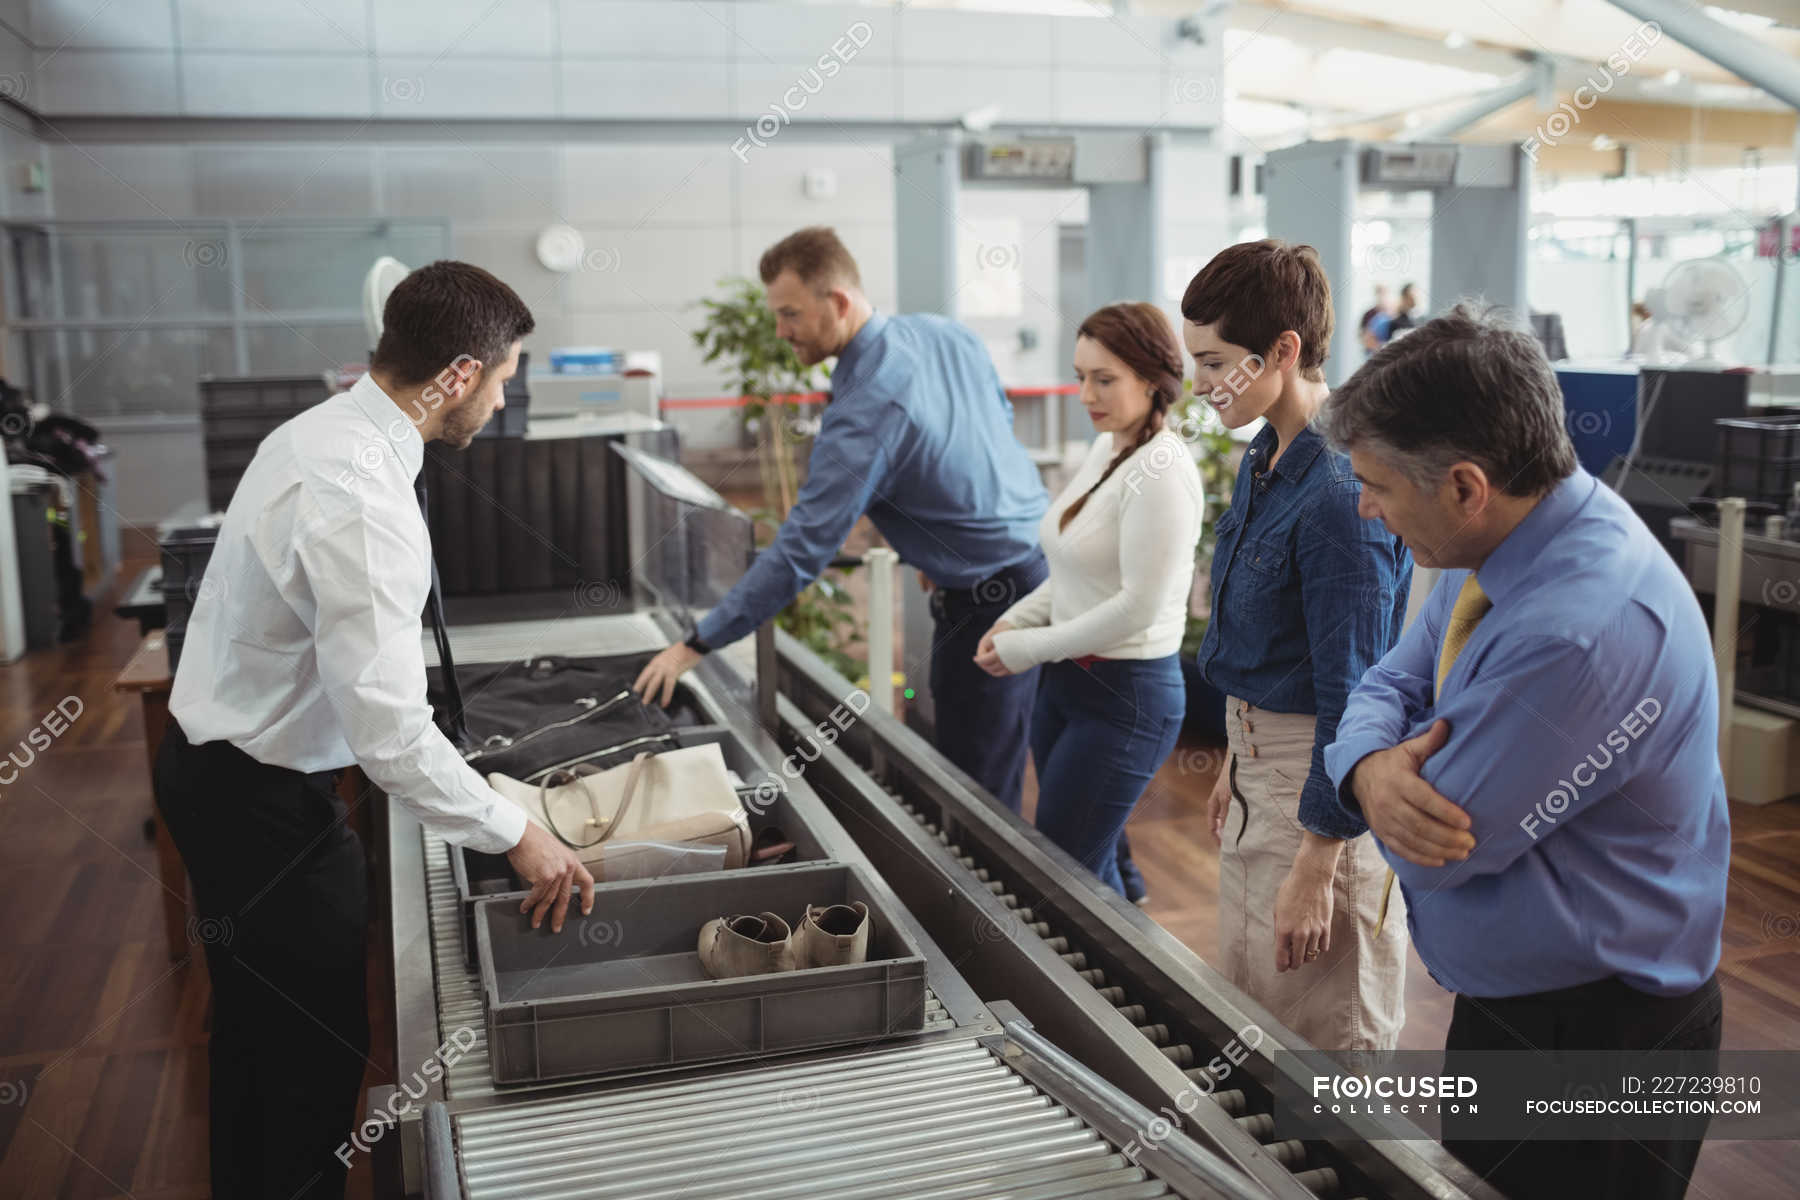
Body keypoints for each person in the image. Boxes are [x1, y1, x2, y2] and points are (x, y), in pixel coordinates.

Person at [156, 262, 593, 1199]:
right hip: (262, 802)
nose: (507, 396)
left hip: (217, 771)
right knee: (314, 1059)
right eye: (508, 376)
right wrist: (520, 835)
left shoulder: (330, 431)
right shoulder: (363, 499)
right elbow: (390, 734)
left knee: (253, 1043)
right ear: (461, 373)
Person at [1321, 303, 1729, 1199]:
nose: (1366, 505)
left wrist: (1376, 776)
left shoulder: (1575, 633)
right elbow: (1391, 677)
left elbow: (1435, 857)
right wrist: (1365, 765)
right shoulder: (1509, 539)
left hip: (1594, 1036)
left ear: (1465, 483)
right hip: (1524, 1007)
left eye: (1379, 485)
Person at [634, 227, 1050, 811]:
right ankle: (1124, 886)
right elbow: (993, 423)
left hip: (991, 602)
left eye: (790, 315)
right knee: (1055, 755)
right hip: (1041, 562)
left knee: (977, 795)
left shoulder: (865, 409)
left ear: (838, 302)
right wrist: (941, 540)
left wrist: (695, 645)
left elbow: (802, 549)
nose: (780, 332)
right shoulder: (944, 333)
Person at [1185, 239, 1413, 1051]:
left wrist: (1319, 865)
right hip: (1260, 773)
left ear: (1282, 350)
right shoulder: (1265, 457)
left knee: (1328, 1044)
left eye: (1216, 364)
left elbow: (1351, 694)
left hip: (1321, 795)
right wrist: (1237, 763)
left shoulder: (1341, 493)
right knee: (1260, 1021)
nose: (1203, 386)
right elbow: (1271, 647)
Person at [973, 303, 1201, 899]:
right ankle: (1118, 983)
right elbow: (1074, 570)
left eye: (1104, 380)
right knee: (1079, 866)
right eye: (1080, 376)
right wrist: (1015, 620)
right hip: (1068, 686)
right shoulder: (1109, 448)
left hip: (1127, 696)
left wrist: (1027, 647)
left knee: (1068, 872)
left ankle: (1124, 990)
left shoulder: (1163, 470)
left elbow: (1136, 609)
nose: (1084, 394)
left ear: (1152, 380)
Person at [1358, 283, 1393, 355]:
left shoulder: (1392, 314)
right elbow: (1362, 334)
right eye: (1380, 293)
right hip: (1372, 353)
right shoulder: (1369, 314)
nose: (1382, 296)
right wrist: (1375, 347)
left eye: (1384, 293)